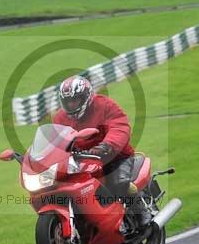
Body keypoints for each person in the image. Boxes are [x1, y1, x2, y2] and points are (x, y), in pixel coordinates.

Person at [53, 75, 149, 229]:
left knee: (119, 182)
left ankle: (141, 209)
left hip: (114, 156)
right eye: (67, 101)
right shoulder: (60, 118)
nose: (71, 105)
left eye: (75, 100)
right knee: (64, 187)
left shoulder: (105, 106)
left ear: (86, 97)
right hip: (81, 161)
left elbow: (119, 127)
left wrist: (106, 145)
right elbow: (54, 140)